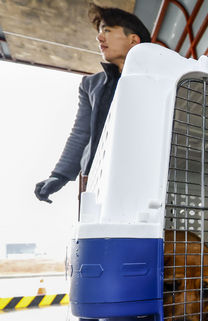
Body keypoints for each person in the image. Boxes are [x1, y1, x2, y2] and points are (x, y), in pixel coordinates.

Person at [34, 3, 151, 203]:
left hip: (146, 173)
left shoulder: (160, 74)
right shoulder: (90, 85)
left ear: (133, 39)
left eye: (107, 30)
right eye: (99, 32)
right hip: (98, 179)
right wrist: (59, 175)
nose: (99, 37)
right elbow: (82, 133)